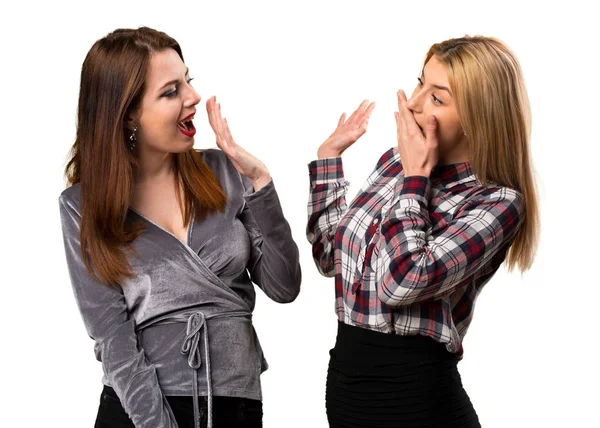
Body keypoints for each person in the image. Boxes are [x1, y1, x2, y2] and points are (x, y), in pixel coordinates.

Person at [59, 27, 301, 428]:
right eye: (171, 91)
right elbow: (112, 338)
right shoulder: (82, 206)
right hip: (140, 412)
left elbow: (285, 286)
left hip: (235, 405)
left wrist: (260, 181)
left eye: (188, 80)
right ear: (128, 113)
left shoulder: (225, 173)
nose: (192, 97)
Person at [306, 35, 539, 427]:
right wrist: (328, 161)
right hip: (347, 389)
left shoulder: (497, 202)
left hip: (416, 398)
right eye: (420, 83)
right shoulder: (392, 164)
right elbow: (330, 259)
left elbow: (402, 283)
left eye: (438, 98)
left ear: (477, 118)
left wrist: (416, 178)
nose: (413, 103)